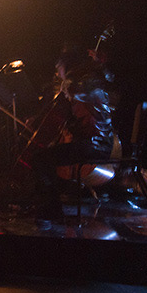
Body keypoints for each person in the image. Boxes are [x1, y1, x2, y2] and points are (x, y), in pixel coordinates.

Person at [29, 45, 116, 225]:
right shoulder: (92, 83)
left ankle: (51, 211)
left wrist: (66, 82)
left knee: (39, 159)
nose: (57, 73)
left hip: (94, 145)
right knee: (46, 157)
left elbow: (72, 93)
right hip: (97, 144)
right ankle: (49, 209)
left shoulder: (84, 86)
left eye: (59, 68)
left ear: (67, 66)